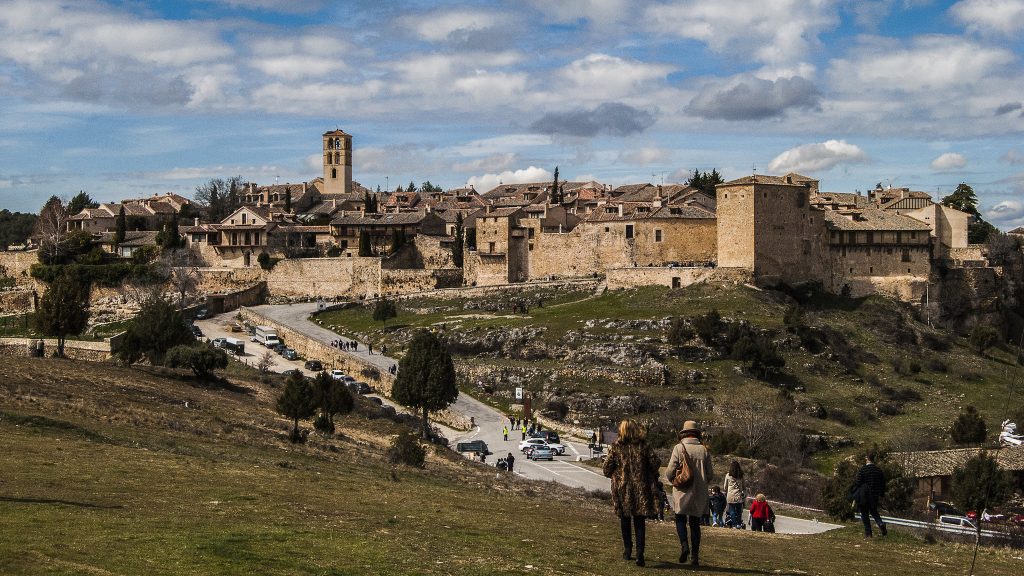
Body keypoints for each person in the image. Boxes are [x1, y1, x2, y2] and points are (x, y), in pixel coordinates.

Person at [603, 420, 661, 567]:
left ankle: (628, 549)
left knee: (625, 519)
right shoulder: (643, 446)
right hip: (641, 488)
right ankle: (640, 553)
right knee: (640, 521)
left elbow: (606, 469)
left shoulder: (616, 447)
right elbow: (655, 463)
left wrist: (617, 474)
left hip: (623, 489)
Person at [665, 420, 712, 568]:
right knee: (695, 524)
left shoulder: (679, 448)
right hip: (699, 492)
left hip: (682, 490)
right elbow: (710, 474)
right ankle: (695, 556)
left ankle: (684, 545)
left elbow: (669, 472)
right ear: (697, 434)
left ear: (684, 433)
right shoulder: (704, 450)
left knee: (680, 518)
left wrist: (674, 479)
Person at [851, 453, 888, 537]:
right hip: (875, 495)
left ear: (867, 459)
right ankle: (880, 523)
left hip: (864, 495)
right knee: (874, 511)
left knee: (864, 513)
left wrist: (854, 491)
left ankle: (868, 534)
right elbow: (883, 483)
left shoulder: (863, 470)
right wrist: (881, 493)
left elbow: (858, 482)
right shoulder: (878, 470)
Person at [723, 460, 746, 529]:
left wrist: (727, 490)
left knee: (732, 510)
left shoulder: (728, 475)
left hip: (730, 495)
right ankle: (739, 524)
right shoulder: (741, 476)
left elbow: (725, 487)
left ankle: (734, 525)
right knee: (739, 511)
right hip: (739, 495)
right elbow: (744, 486)